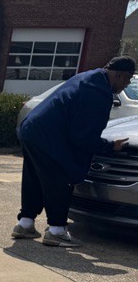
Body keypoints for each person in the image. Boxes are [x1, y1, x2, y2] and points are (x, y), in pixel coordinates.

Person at [12, 56, 134, 247]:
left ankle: (25, 224)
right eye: (127, 80)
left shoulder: (88, 77)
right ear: (120, 74)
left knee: (34, 177)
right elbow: (83, 136)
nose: (125, 86)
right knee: (60, 178)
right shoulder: (99, 92)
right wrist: (110, 146)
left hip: (31, 129)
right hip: (49, 136)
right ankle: (56, 231)